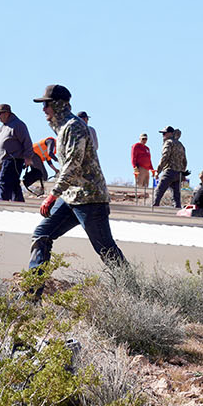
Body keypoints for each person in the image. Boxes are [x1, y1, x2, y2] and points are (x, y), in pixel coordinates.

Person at [26, 84, 127, 280]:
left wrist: (52, 196)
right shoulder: (63, 128)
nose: (43, 109)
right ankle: (32, 291)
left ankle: (135, 291)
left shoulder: (74, 127)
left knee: (106, 249)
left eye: (46, 104)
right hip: (71, 197)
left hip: (90, 198)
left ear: (58, 105)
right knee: (42, 234)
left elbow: (73, 165)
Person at [0, 103, 33, 203]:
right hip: (5, 160)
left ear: (6, 113)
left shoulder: (17, 124)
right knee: (14, 184)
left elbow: (27, 141)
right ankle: (19, 205)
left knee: (4, 181)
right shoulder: (3, 127)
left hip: (13, 160)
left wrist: (28, 157)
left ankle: (2, 204)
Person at [152, 126, 187, 208]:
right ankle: (177, 211)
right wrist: (182, 172)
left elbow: (165, 157)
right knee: (176, 196)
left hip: (169, 171)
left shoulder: (168, 143)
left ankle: (153, 209)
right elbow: (185, 161)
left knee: (158, 191)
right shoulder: (181, 145)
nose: (163, 135)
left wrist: (158, 171)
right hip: (178, 174)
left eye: (164, 133)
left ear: (170, 133)